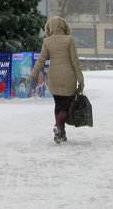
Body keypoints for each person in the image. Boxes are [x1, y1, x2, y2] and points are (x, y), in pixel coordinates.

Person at [28, 16, 84, 144]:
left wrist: (32, 75)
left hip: (53, 78)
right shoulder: (69, 40)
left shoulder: (47, 42)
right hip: (68, 78)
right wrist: (81, 80)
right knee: (66, 106)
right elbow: (75, 62)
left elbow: (41, 61)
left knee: (59, 105)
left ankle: (61, 133)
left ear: (50, 27)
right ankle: (58, 126)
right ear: (64, 26)